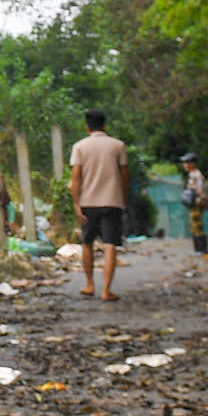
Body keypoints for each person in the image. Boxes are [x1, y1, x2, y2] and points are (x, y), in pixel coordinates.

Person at [69, 111, 127, 301]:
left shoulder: (79, 147)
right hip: (112, 201)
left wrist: (76, 203)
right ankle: (106, 290)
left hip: (88, 202)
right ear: (105, 125)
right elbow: (124, 176)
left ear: (87, 127)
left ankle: (89, 284)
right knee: (110, 244)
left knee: (87, 243)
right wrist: (123, 198)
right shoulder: (118, 146)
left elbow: (76, 178)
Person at [179, 152, 208, 256]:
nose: (185, 165)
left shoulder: (197, 175)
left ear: (193, 164)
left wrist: (205, 202)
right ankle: (197, 249)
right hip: (192, 204)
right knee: (193, 226)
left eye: (187, 162)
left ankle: (203, 250)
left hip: (196, 203)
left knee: (197, 226)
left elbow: (200, 189)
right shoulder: (191, 175)